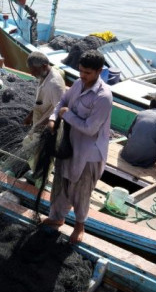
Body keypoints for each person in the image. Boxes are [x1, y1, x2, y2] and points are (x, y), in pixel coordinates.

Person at [44, 50, 113, 244]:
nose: (83, 76)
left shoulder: (103, 97)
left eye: (88, 73)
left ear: (99, 71)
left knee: (81, 191)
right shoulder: (77, 84)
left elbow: (90, 128)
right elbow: (62, 102)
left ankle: (79, 226)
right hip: (69, 145)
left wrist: (66, 115)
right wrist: (52, 118)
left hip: (89, 152)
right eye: (81, 71)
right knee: (60, 183)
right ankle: (57, 216)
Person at [21, 51, 67, 182]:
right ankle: (37, 173)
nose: (31, 74)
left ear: (44, 65)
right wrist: (30, 115)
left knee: (44, 153)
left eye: (34, 70)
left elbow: (59, 110)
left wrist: (43, 125)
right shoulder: (43, 76)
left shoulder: (55, 84)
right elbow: (39, 100)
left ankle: (42, 179)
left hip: (48, 126)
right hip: (39, 120)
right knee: (33, 150)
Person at [120, 95, 156, 167]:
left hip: (126, 155)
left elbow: (128, 134)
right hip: (145, 162)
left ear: (150, 106)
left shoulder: (140, 113)